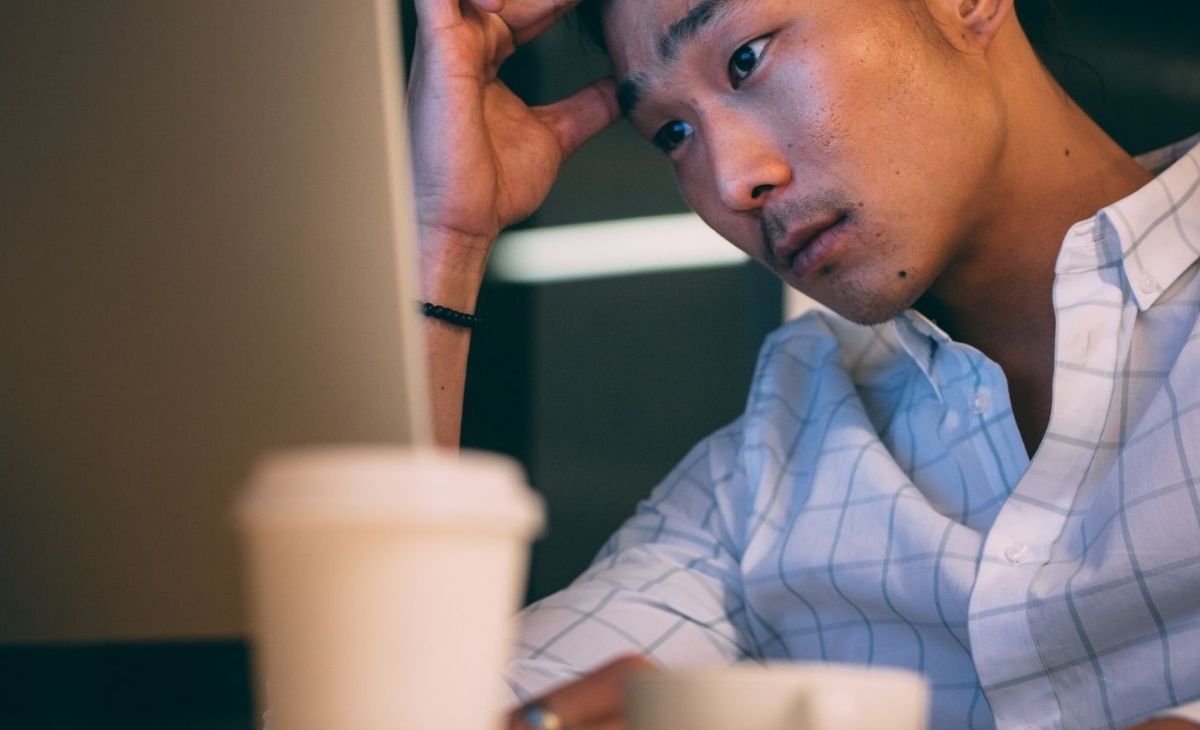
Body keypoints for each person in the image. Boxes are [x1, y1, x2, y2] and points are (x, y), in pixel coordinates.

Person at [407, 0, 1200, 727]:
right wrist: (446, 234)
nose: (732, 179)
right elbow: (412, 706)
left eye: (746, 59)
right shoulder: (772, 462)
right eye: (673, 135)